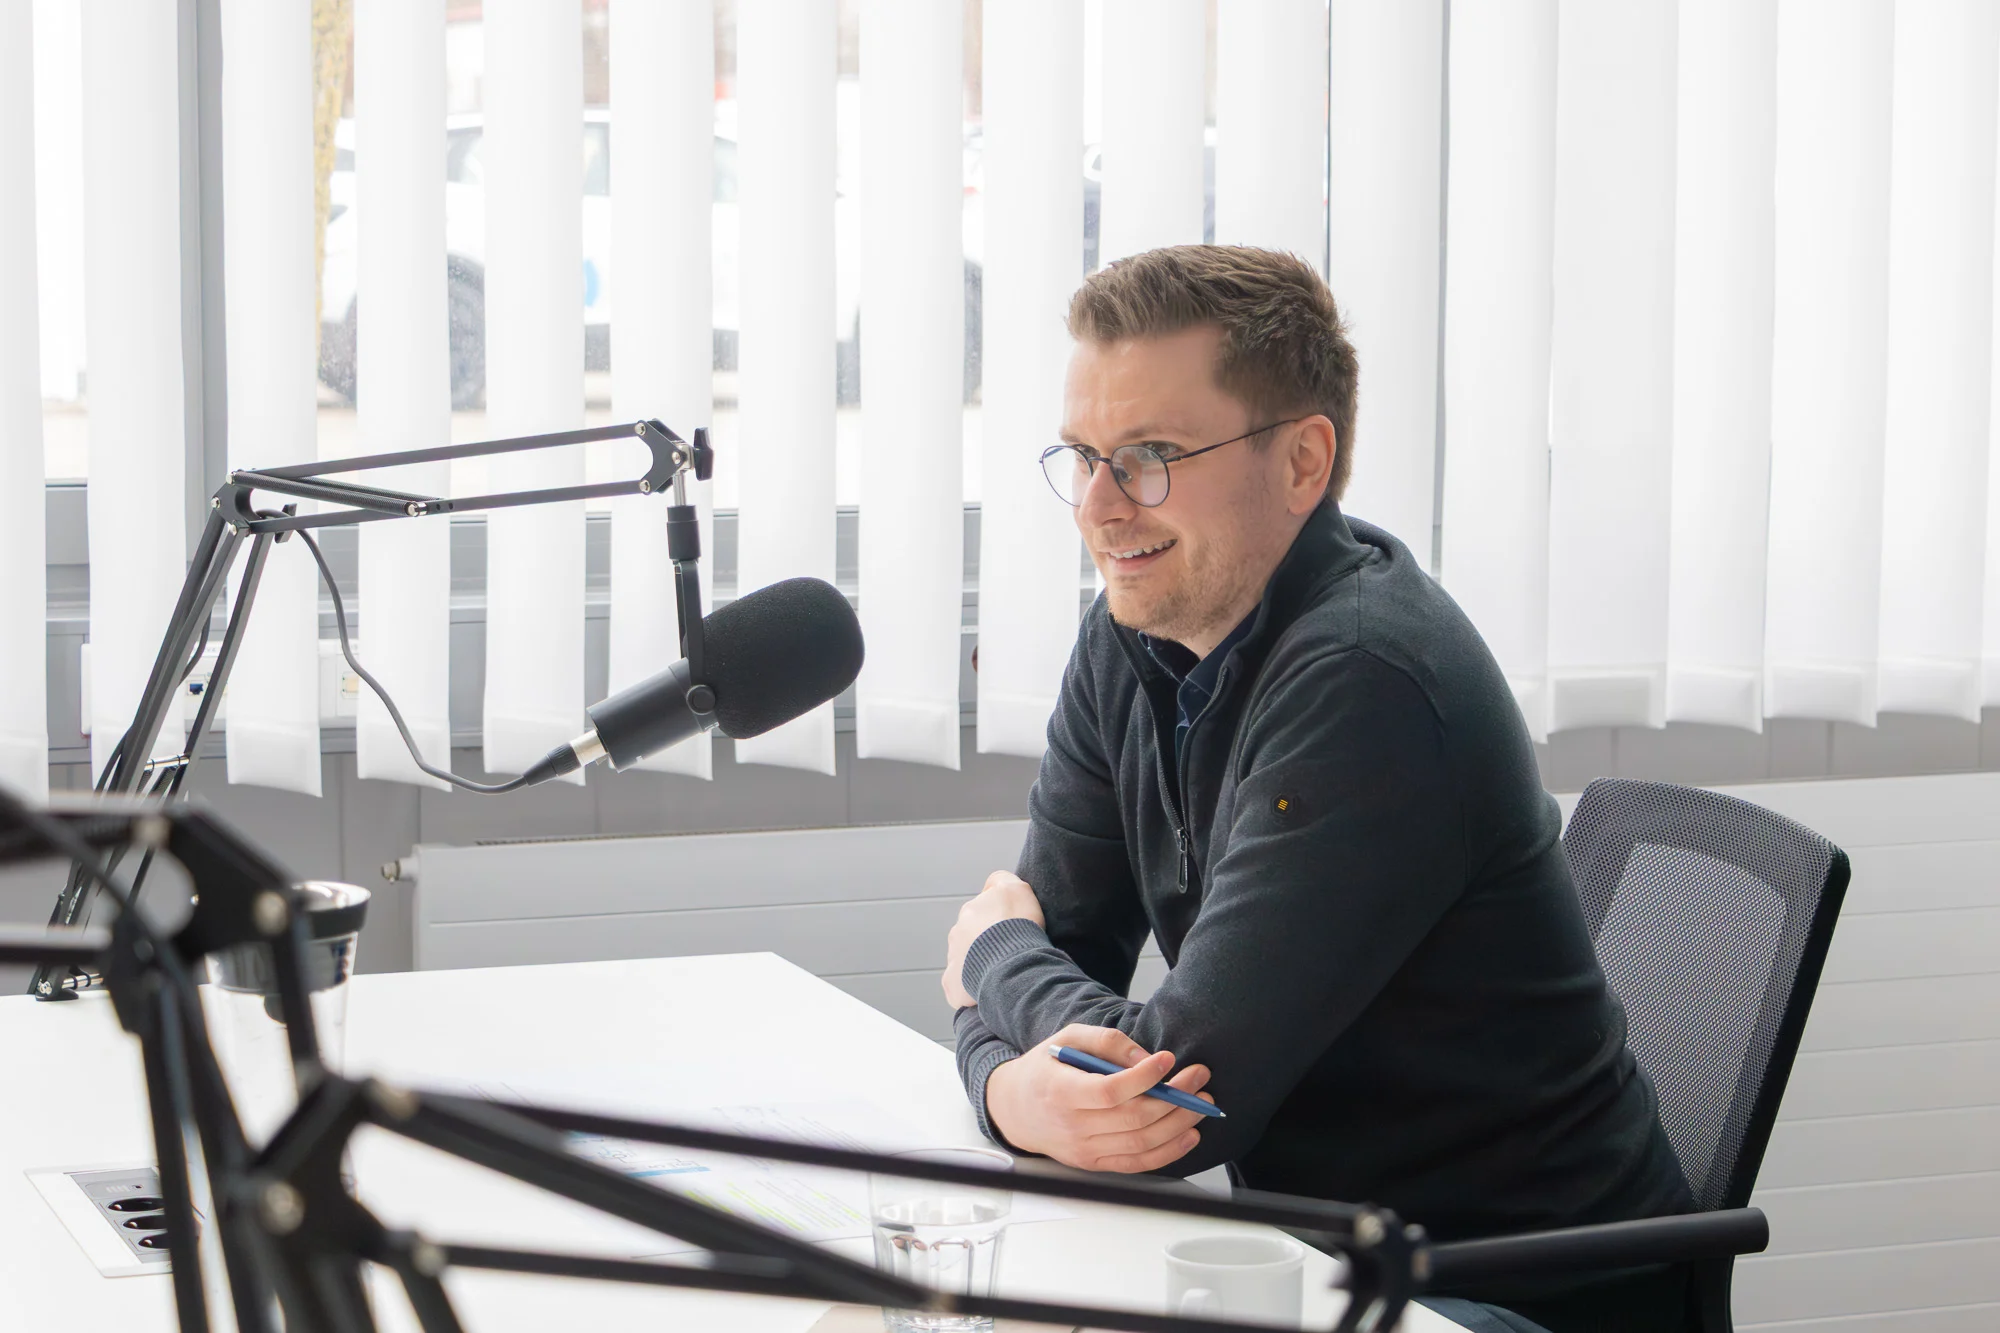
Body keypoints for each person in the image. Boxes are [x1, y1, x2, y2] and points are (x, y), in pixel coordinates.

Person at [941, 245, 1696, 1333]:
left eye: (1150, 455)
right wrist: (1004, 1077)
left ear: (1301, 462)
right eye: (1082, 456)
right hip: (1315, 1273)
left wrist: (985, 963)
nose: (1099, 507)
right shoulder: (1129, 631)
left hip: (1510, 1299)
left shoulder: (1365, 681)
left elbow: (1169, 1103)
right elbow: (1066, 983)